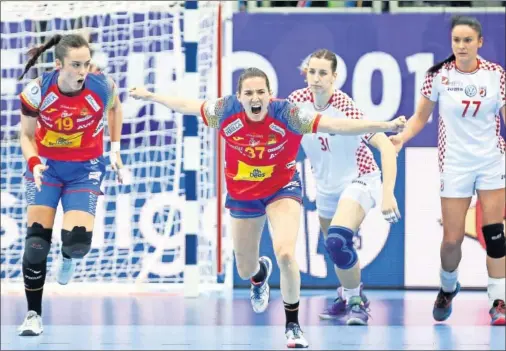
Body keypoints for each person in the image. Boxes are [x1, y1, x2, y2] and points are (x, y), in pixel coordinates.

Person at [129, 68, 405, 348]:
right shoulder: (225, 110)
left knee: (286, 252)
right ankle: (260, 275)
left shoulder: (288, 114)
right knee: (244, 267)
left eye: (261, 92)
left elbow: (335, 125)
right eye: (248, 93)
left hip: (282, 188)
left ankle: (293, 326)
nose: (255, 97)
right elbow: (187, 106)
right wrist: (151, 96)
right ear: (239, 96)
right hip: (243, 194)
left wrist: (383, 125)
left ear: (269, 95)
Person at [390, 15, 505, 325]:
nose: (462, 46)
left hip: (492, 160)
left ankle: (499, 300)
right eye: (457, 40)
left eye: (468, 40)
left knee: (494, 234)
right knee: (451, 241)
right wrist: (401, 137)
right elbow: (419, 117)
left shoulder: (496, 75)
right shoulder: (437, 75)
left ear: (480, 42)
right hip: (455, 162)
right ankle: (447, 287)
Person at [17, 33, 125, 336]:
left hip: (85, 169)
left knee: (78, 244)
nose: (82, 71)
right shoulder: (37, 92)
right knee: (36, 244)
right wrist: (34, 163)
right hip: (47, 169)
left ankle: (67, 256)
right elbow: (26, 136)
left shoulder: (101, 87)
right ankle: (33, 315)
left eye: (86, 64)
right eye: (75, 65)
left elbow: (116, 109)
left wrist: (115, 150)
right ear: (58, 64)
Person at [287, 49, 400, 326]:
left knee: (338, 238)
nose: (316, 78)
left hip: (360, 178)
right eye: (311, 72)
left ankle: (357, 304)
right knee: (334, 248)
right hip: (325, 185)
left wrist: (387, 194)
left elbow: (385, 145)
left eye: (323, 73)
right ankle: (349, 293)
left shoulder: (345, 106)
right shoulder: (295, 102)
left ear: (334, 77)